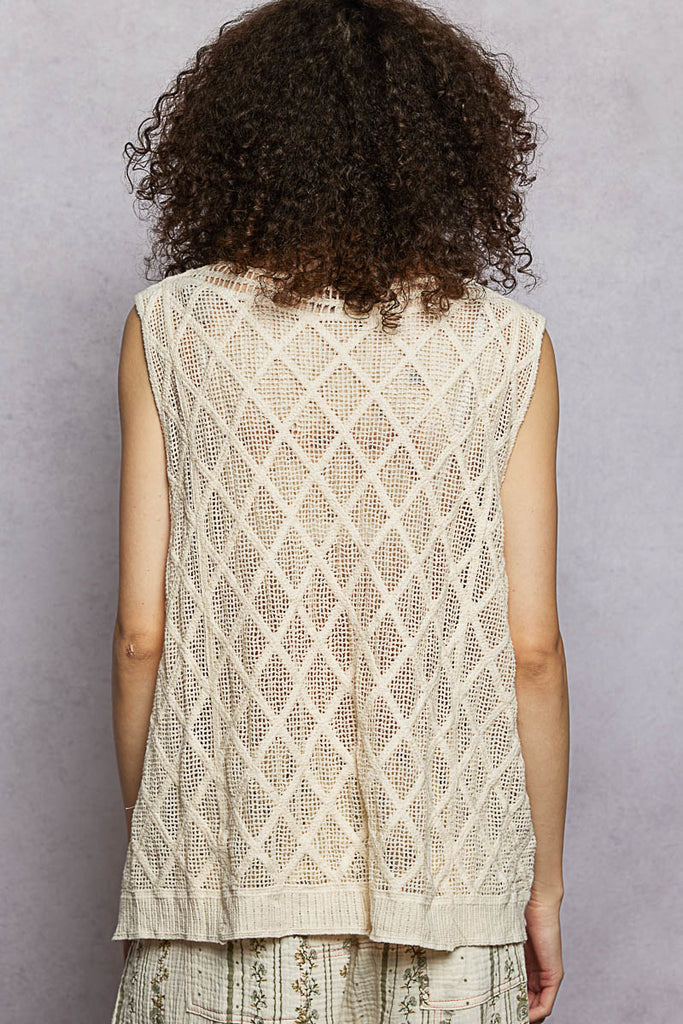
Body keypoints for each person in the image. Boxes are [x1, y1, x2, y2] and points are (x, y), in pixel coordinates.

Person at [109, 0, 569, 1021]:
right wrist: (539, 886)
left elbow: (143, 636)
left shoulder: (169, 329)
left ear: (237, 141)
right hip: (451, 881)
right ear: (449, 150)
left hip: (222, 873)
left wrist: (169, 843)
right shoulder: (509, 346)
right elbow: (530, 649)